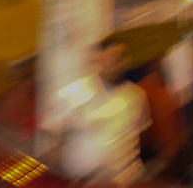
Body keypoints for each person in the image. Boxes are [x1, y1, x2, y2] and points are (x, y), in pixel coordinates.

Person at [63, 39, 151, 185]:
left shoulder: (136, 95)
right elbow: (58, 137)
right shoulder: (75, 92)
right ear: (99, 58)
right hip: (85, 181)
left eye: (122, 56)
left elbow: (141, 134)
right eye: (112, 56)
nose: (117, 62)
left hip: (124, 180)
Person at [138, 58, 188, 180]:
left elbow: (178, 124)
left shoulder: (171, 91)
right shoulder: (142, 91)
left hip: (169, 155)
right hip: (151, 153)